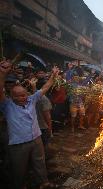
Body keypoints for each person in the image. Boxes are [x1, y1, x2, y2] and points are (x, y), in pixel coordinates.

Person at [0, 60, 59, 189]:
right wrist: (2, 73)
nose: (23, 98)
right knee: (18, 169)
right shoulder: (7, 106)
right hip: (19, 144)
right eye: (19, 96)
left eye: (24, 95)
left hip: (36, 139)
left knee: (40, 163)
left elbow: (45, 88)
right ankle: (21, 185)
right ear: (12, 97)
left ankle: (44, 183)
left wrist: (54, 75)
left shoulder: (31, 99)